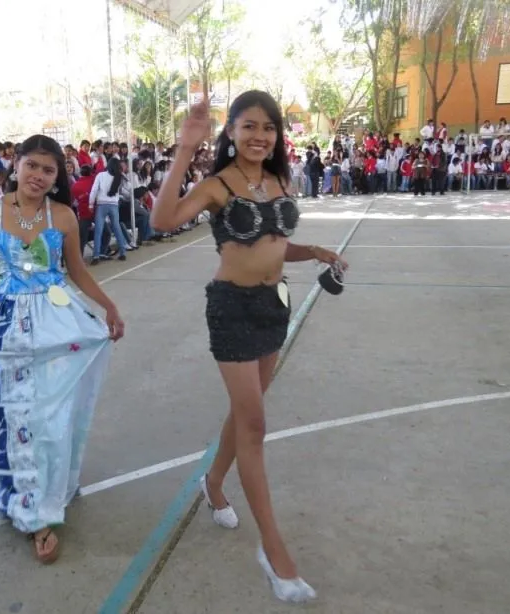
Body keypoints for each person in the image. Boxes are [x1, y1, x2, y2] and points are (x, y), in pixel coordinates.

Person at [149, 91, 347, 604]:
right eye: (249, 126)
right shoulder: (217, 185)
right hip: (231, 311)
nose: (260, 136)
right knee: (255, 424)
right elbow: (162, 221)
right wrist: (184, 150)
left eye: (269, 128)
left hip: (273, 307)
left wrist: (315, 252)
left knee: (245, 414)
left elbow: (276, 246)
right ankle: (275, 553)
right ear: (231, 131)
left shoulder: (280, 180)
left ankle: (213, 484)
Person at [0, 135, 125, 564]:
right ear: (15, 164)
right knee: (13, 414)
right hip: (1, 326)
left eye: (49, 170)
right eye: (32, 166)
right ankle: (26, 502)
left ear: (58, 176)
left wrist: (108, 307)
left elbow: (76, 271)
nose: (39, 176)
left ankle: (44, 501)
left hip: (56, 324)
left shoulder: (64, 216)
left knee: (49, 417)